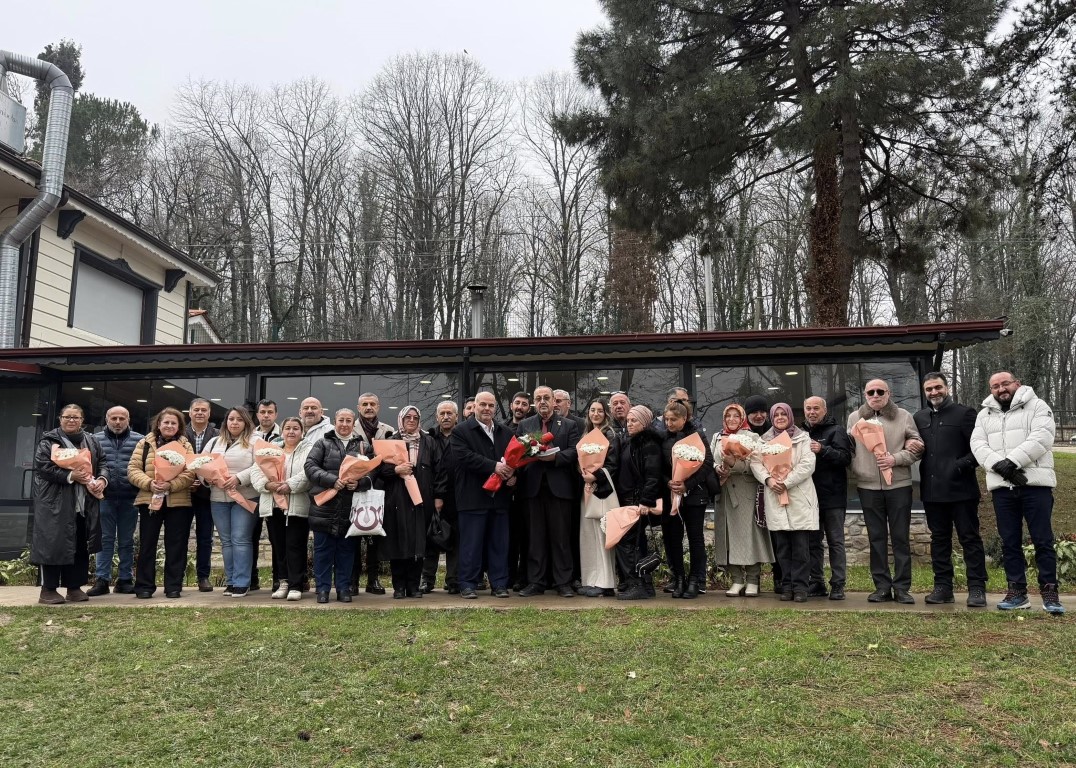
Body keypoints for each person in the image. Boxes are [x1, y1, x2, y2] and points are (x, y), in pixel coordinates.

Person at [971, 371, 1064, 614]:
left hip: (1036, 486)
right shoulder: (984, 414)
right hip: (1003, 488)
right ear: (991, 390)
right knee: (1009, 542)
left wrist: (1011, 462)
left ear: (1017, 384)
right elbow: (978, 445)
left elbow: (1042, 437)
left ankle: (1050, 592)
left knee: (1043, 540)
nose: (1001, 389)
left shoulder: (1037, 406)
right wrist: (1001, 467)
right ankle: (1017, 592)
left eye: (1005, 384)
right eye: (995, 386)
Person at [914, 373, 988, 608]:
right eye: (929, 389)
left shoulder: (965, 414)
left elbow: (979, 449)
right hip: (933, 492)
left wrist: (959, 466)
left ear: (947, 388)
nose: (934, 392)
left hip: (961, 490)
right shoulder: (920, 417)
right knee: (939, 540)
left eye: (938, 387)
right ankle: (943, 587)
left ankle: (976, 588)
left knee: (969, 539)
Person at [847, 379, 922, 605]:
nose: (876, 395)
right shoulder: (854, 418)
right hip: (868, 486)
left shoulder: (904, 416)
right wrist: (856, 469)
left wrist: (895, 459)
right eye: (871, 391)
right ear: (865, 394)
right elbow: (849, 449)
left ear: (888, 393)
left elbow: (917, 446)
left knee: (900, 539)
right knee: (876, 539)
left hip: (898, 485)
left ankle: (902, 588)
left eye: (881, 391)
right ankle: (881, 587)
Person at [31, 404, 108, 605]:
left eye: (76, 417)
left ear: (82, 420)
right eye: (67, 417)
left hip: (84, 504)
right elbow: (42, 468)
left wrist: (101, 479)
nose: (71, 420)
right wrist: (70, 475)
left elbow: (103, 463)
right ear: (60, 419)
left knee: (80, 545)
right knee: (53, 545)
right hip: (55, 503)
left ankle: (74, 587)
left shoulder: (91, 440)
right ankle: (48, 589)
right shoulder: (49, 441)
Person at [450, 390, 516, 599]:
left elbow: (514, 459)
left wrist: (514, 475)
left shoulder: (505, 432)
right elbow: (464, 458)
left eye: (490, 405)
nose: (487, 409)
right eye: (483, 405)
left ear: (495, 407)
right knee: (471, 544)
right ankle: (467, 584)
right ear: (475, 406)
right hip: (472, 498)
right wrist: (494, 466)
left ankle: (499, 584)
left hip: (500, 499)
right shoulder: (460, 431)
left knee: (499, 544)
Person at [750, 403, 818, 603]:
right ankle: (786, 586)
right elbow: (756, 463)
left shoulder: (803, 438)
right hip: (775, 496)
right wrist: (770, 480)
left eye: (783, 414)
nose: (780, 417)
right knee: (782, 548)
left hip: (798, 496)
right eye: (776, 414)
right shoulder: (763, 441)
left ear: (790, 416)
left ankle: (800, 587)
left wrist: (786, 482)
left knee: (800, 548)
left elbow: (808, 463)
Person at [517, 385, 581, 598]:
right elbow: (516, 453)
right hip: (533, 490)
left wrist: (556, 457)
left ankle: (563, 582)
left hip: (560, 490)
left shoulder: (570, 425)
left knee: (561, 538)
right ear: (534, 403)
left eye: (547, 398)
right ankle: (536, 581)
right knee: (535, 538)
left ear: (555, 401)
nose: (542, 402)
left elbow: (574, 451)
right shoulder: (525, 425)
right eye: (538, 398)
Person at [127, 407, 196, 599]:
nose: (169, 426)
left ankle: (173, 586)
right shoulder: (145, 443)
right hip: (150, 499)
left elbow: (191, 472)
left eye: (174, 423)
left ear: (179, 426)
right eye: (166, 422)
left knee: (176, 545)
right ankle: (144, 586)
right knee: (147, 544)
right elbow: (132, 469)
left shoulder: (185, 445)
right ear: (158, 424)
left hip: (178, 502)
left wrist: (170, 484)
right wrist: (150, 484)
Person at [304, 408, 371, 603]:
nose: (344, 424)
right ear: (335, 421)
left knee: (346, 551)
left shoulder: (362, 447)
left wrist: (359, 483)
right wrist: (332, 480)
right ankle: (323, 589)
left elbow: (373, 474)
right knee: (323, 551)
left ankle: (344, 588)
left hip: (351, 508)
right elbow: (310, 467)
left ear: (353, 423)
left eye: (348, 421)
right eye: (341, 420)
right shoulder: (322, 443)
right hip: (324, 507)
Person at [712, 404, 773, 598]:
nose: (731, 419)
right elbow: (710, 460)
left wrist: (734, 464)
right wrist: (717, 467)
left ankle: (753, 580)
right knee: (728, 537)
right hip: (725, 493)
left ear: (742, 418)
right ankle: (736, 579)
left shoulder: (753, 437)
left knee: (750, 536)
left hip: (746, 493)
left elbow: (756, 465)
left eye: (735, 416)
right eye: (728, 416)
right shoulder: (716, 437)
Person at [377, 406, 439, 599]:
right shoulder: (390, 441)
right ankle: (399, 586)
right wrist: (396, 470)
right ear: (401, 420)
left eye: (415, 417)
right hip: (397, 500)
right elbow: (379, 471)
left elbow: (439, 470)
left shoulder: (429, 441)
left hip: (422, 499)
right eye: (408, 417)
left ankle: (414, 586)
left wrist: (438, 497)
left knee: (418, 543)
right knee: (398, 542)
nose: (411, 420)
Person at [250, 416, 312, 601]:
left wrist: (289, 485)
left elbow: (308, 473)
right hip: (274, 506)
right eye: (288, 428)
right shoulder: (270, 450)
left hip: (296, 506)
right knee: (279, 546)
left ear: (302, 432)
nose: (291, 432)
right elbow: (256, 471)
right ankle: (283, 582)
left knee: (295, 545)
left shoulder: (308, 450)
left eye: (295, 428)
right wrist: (267, 485)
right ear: (282, 431)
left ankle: (296, 585)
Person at [660, 399, 714, 599]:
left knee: (695, 538)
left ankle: (694, 580)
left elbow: (707, 463)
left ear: (685, 418)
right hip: (671, 495)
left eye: (673, 420)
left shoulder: (698, 436)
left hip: (694, 496)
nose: (669, 423)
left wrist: (687, 484)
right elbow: (658, 467)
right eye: (666, 419)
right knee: (673, 538)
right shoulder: (663, 438)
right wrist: (669, 482)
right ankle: (679, 578)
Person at [608, 405, 663, 600]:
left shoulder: (648, 443)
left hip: (637, 501)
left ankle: (636, 584)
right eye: (628, 421)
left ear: (645, 422)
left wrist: (645, 501)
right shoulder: (630, 441)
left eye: (634, 421)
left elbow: (653, 475)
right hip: (628, 500)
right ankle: (644, 585)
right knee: (635, 543)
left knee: (628, 543)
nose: (629, 424)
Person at [204, 406, 259, 597]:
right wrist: (207, 478)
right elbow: (200, 465)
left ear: (246, 422)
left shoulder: (255, 442)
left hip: (245, 496)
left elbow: (260, 467)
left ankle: (242, 582)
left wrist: (239, 478)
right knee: (226, 541)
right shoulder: (213, 442)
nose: (234, 423)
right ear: (225, 422)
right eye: (231, 419)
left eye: (239, 420)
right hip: (218, 498)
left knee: (240, 538)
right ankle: (231, 581)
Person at [88, 405, 143, 596]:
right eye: (114, 418)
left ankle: (125, 580)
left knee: (127, 541)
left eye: (122, 418)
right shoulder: (94, 440)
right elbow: (88, 467)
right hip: (104, 498)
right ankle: (102, 580)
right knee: (104, 540)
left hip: (130, 498)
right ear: (106, 419)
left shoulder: (140, 440)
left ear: (128, 420)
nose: (118, 422)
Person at [802, 396, 852, 600]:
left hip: (833, 497)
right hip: (810, 497)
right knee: (813, 542)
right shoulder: (802, 433)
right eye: (808, 408)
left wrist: (823, 449)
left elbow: (845, 458)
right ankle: (817, 582)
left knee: (835, 542)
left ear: (824, 410)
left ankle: (838, 584)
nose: (812, 412)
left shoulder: (837, 431)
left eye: (816, 408)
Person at [350, 392, 395, 595]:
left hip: (380, 489)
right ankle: (352, 580)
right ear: (358, 407)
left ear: (378, 407)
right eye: (365, 404)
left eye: (373, 404)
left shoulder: (388, 431)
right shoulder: (349, 428)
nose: (369, 407)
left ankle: (373, 579)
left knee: (375, 536)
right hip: (354, 488)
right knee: (353, 537)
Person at [577, 398, 618, 597]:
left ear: (605, 413)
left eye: (600, 411)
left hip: (602, 492)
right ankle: (591, 579)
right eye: (592, 410)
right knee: (588, 536)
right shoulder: (585, 435)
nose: (595, 414)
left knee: (602, 536)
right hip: (587, 490)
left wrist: (596, 475)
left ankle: (605, 581)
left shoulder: (610, 434)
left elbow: (613, 464)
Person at [743, 393, 781, 591]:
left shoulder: (774, 434)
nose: (758, 416)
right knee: (754, 536)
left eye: (762, 412)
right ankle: (752, 579)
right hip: (748, 493)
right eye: (753, 412)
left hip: (773, 489)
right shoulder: (741, 434)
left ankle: (780, 576)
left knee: (776, 535)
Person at [422, 401, 460, 593]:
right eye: (442, 414)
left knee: (455, 539)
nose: (446, 417)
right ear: (437, 417)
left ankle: (453, 580)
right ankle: (427, 579)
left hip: (457, 495)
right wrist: (436, 495)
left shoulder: (462, 436)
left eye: (449, 413)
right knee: (432, 537)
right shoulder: (429, 438)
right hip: (433, 495)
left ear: (456, 416)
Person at [185, 397, 218, 592]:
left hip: (207, 493)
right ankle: (177, 577)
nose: (199, 413)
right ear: (189, 412)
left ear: (209, 413)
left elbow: (219, 461)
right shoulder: (180, 432)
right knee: (179, 537)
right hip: (183, 493)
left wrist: (204, 478)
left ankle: (203, 576)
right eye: (196, 409)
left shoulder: (217, 435)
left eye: (203, 410)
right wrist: (188, 479)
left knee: (205, 537)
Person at [249, 398, 281, 591]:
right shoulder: (250, 436)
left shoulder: (283, 435)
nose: (266, 415)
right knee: (251, 536)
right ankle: (252, 579)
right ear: (257, 414)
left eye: (270, 412)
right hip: (251, 492)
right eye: (263, 412)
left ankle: (278, 578)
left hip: (274, 494)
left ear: (275, 414)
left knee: (276, 539)